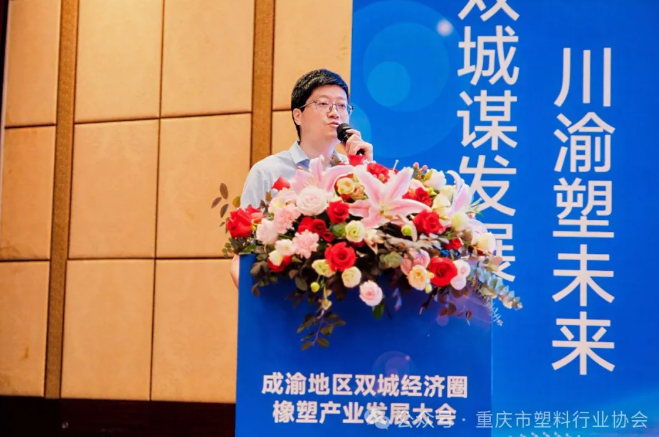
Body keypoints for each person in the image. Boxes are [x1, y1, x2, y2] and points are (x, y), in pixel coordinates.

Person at [230, 69, 373, 287]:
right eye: (323, 104)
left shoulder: (354, 170)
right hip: (286, 293)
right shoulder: (267, 171)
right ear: (297, 115)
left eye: (342, 105)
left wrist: (366, 169)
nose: (335, 113)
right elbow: (242, 255)